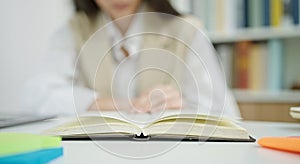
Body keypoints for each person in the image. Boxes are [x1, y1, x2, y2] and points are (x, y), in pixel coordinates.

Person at [22, 0, 240, 117]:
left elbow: (224, 113)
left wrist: (183, 106)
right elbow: (38, 96)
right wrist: (124, 105)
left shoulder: (187, 30)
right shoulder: (74, 31)